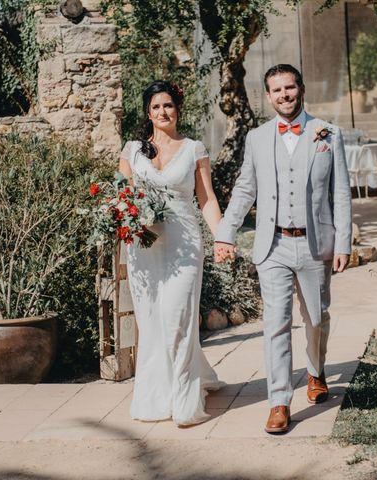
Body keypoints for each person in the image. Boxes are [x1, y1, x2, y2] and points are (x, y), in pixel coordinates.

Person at [214, 64, 352, 434]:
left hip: (314, 244)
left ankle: (315, 370)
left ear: (301, 89)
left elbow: (340, 192)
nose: (284, 95)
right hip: (271, 245)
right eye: (277, 90)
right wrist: (225, 232)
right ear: (269, 95)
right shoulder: (257, 138)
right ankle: (279, 401)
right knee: (275, 324)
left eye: (289, 88)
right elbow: (245, 189)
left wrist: (343, 242)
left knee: (317, 319)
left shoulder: (328, 133)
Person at [118, 80, 224, 427]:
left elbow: (206, 199)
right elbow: (123, 198)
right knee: (152, 322)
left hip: (184, 244)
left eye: (168, 106)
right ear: (147, 113)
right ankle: (156, 395)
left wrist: (223, 238)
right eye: (156, 107)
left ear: (177, 108)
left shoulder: (194, 149)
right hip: (143, 247)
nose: (163, 112)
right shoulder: (133, 150)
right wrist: (123, 220)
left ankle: (185, 401)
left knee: (177, 318)